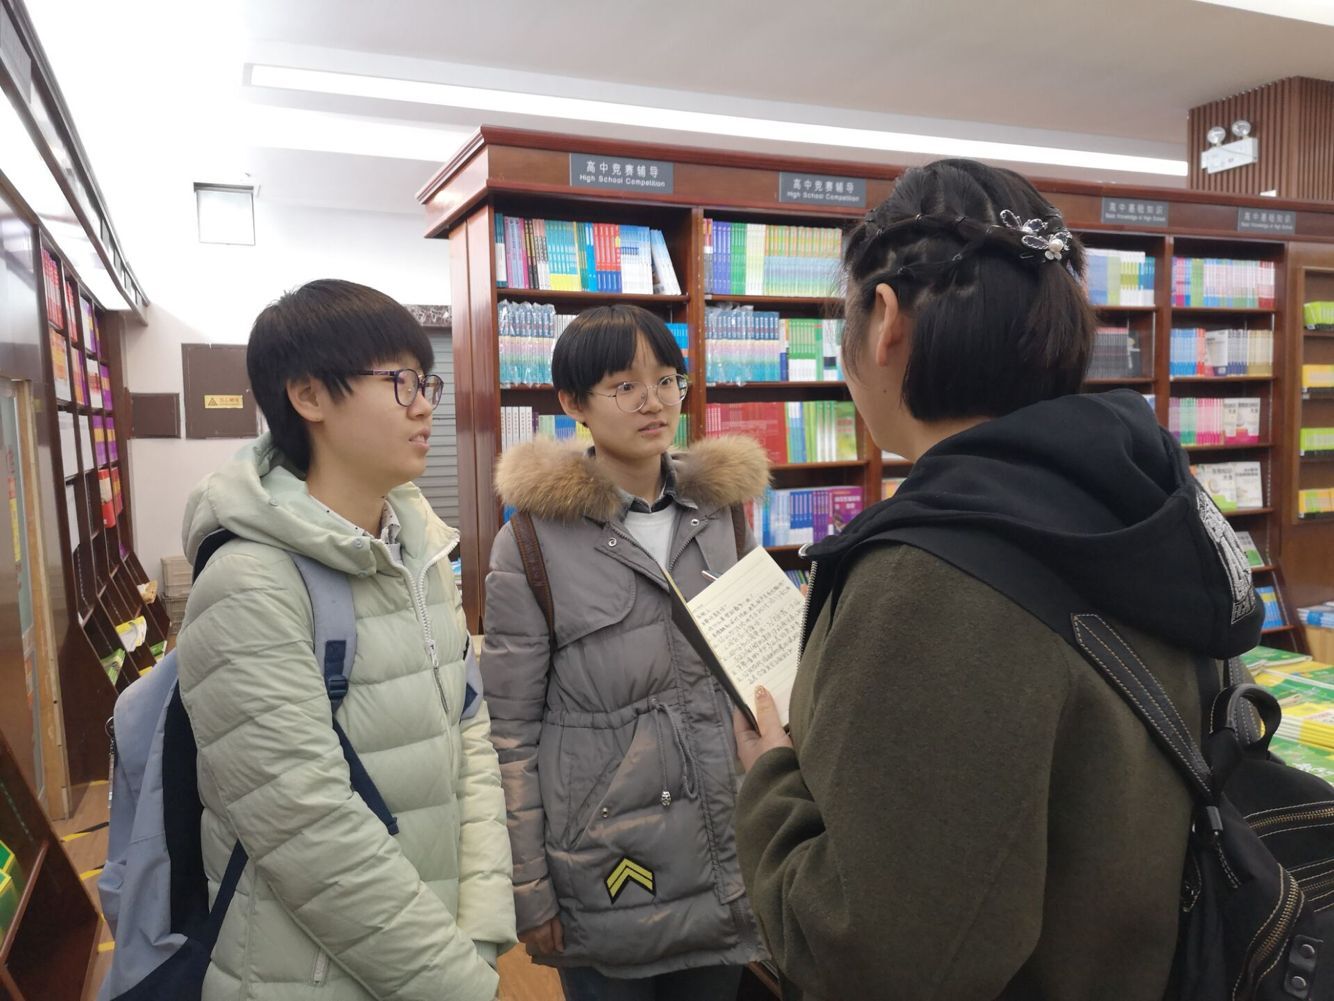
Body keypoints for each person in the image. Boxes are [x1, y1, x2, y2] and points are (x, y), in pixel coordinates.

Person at [732, 160, 1264, 1001]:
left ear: (885, 320)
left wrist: (769, 777)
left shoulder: (931, 577)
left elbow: (872, 958)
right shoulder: (1142, 500)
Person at [175, 279, 516, 1001]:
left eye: (425, 381)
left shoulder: (421, 555)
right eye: (399, 382)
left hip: (440, 955)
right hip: (305, 975)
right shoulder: (249, 582)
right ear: (308, 395)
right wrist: (459, 983)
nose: (424, 404)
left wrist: (482, 931)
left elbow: (470, 738)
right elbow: (309, 830)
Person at [481, 304, 769, 1001]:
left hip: (723, 854)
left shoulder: (724, 513)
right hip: (604, 866)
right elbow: (510, 733)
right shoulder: (531, 541)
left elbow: (756, 671)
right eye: (625, 386)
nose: (654, 402)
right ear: (573, 403)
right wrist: (530, 886)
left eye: (668, 380)